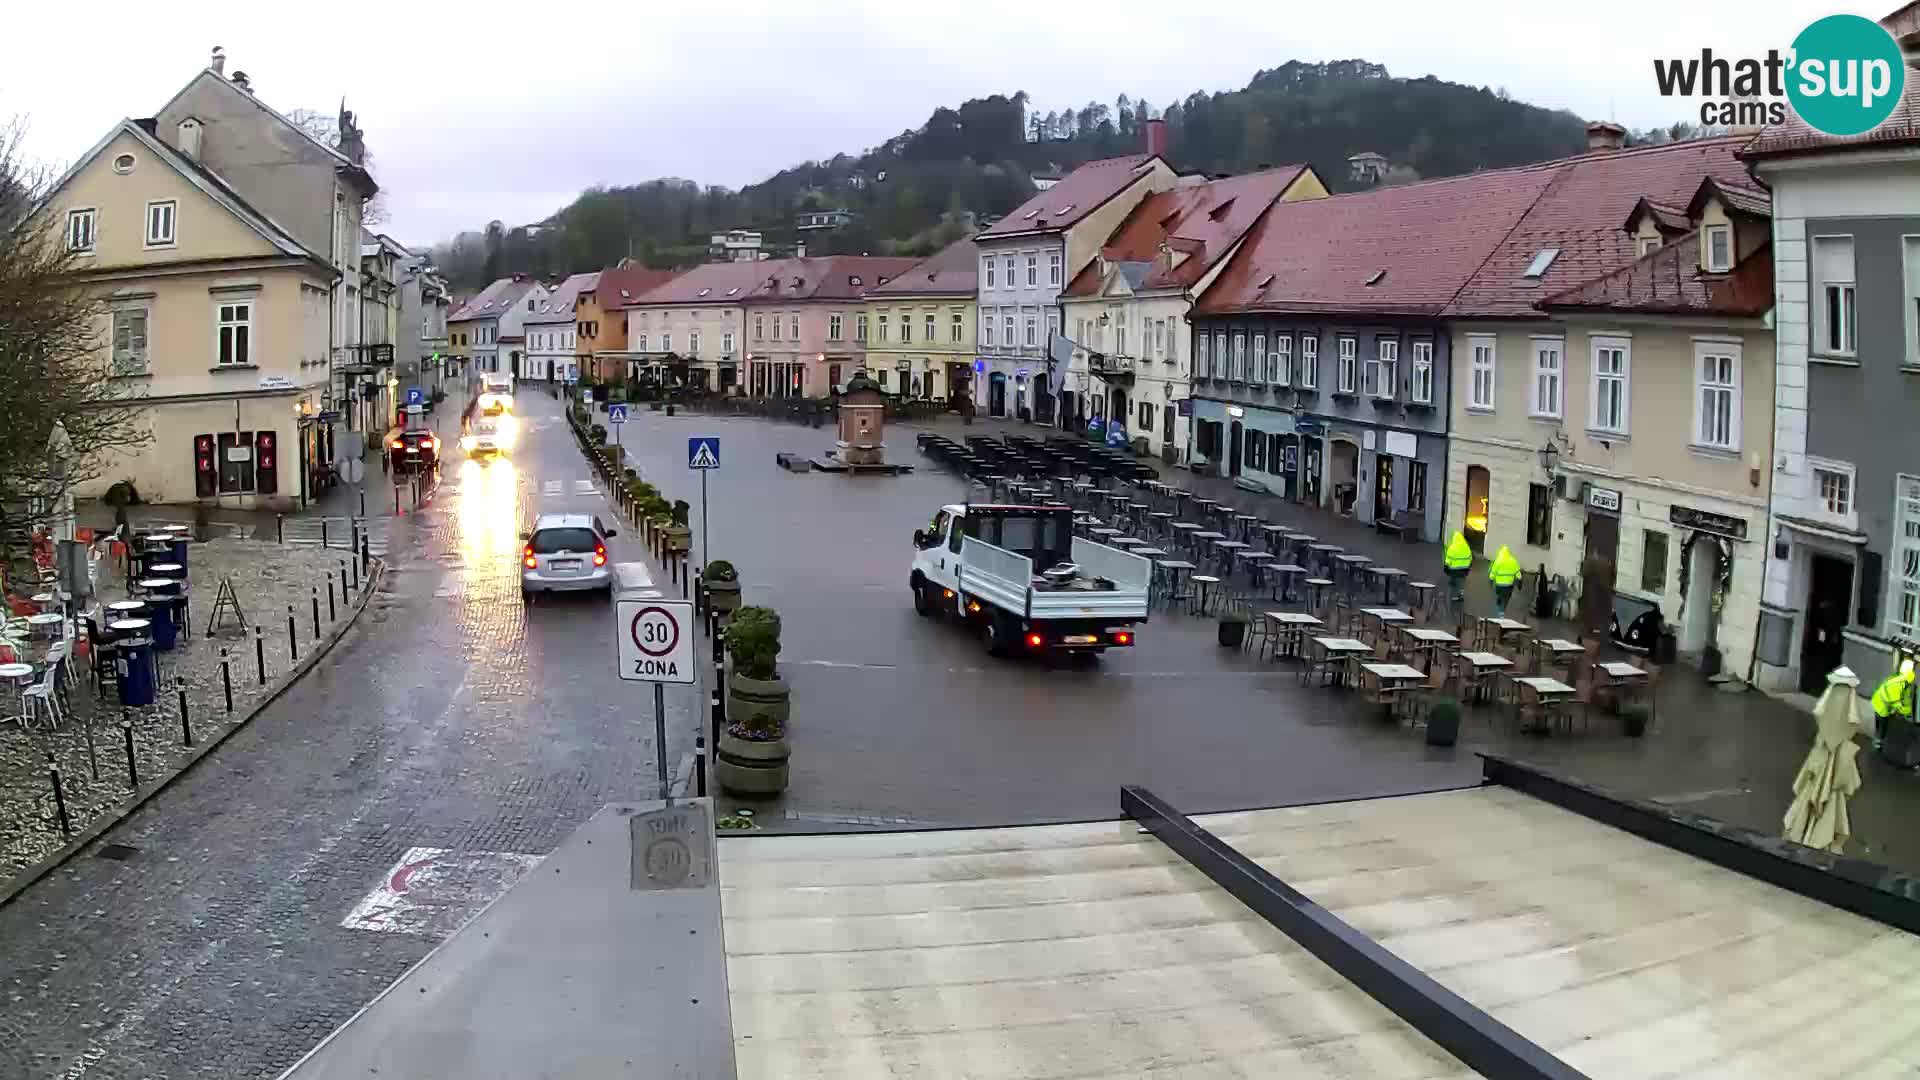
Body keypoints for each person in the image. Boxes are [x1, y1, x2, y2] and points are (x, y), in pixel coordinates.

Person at [1870, 657, 1916, 748]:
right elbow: (1897, 703)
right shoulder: (1897, 686)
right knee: (1882, 724)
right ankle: (1878, 742)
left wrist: (1908, 707)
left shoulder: (1901, 680)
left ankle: (1878, 737)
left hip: (1879, 702)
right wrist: (1907, 712)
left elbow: (1905, 696)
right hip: (1881, 706)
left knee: (1880, 722)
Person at [1488, 544, 1521, 615]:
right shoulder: (1513, 561)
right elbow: (1519, 575)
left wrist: (1490, 581)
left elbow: (1492, 573)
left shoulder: (1498, 561)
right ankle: (1502, 610)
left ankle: (1500, 606)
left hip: (1499, 585)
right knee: (1506, 598)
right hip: (1509, 585)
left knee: (1500, 595)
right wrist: (1519, 584)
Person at [1443, 531, 1472, 602]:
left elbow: (1448, 560)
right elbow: (1470, 558)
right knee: (1462, 582)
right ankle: (1461, 594)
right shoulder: (1467, 547)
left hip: (1454, 570)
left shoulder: (1452, 548)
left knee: (1454, 582)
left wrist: (1446, 566)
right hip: (1464, 569)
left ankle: (1454, 596)